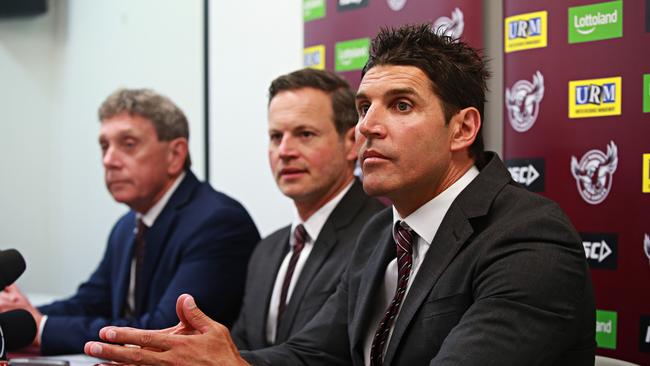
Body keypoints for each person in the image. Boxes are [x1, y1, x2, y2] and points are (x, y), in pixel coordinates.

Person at [84, 24, 595, 365]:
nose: (368, 126)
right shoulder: (382, 233)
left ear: (462, 129)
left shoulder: (528, 238)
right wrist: (221, 358)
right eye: (364, 106)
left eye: (399, 105)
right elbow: (312, 355)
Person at [0, 88, 260, 355]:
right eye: (104, 146)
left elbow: (163, 333)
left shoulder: (218, 223)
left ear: (175, 155)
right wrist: (18, 316)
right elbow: (90, 302)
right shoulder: (127, 226)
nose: (109, 160)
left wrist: (42, 326)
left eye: (128, 144)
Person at [230, 69, 384, 350]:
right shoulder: (266, 250)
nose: (285, 151)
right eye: (276, 136)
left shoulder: (380, 236)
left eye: (305, 134)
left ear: (352, 143)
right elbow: (242, 345)